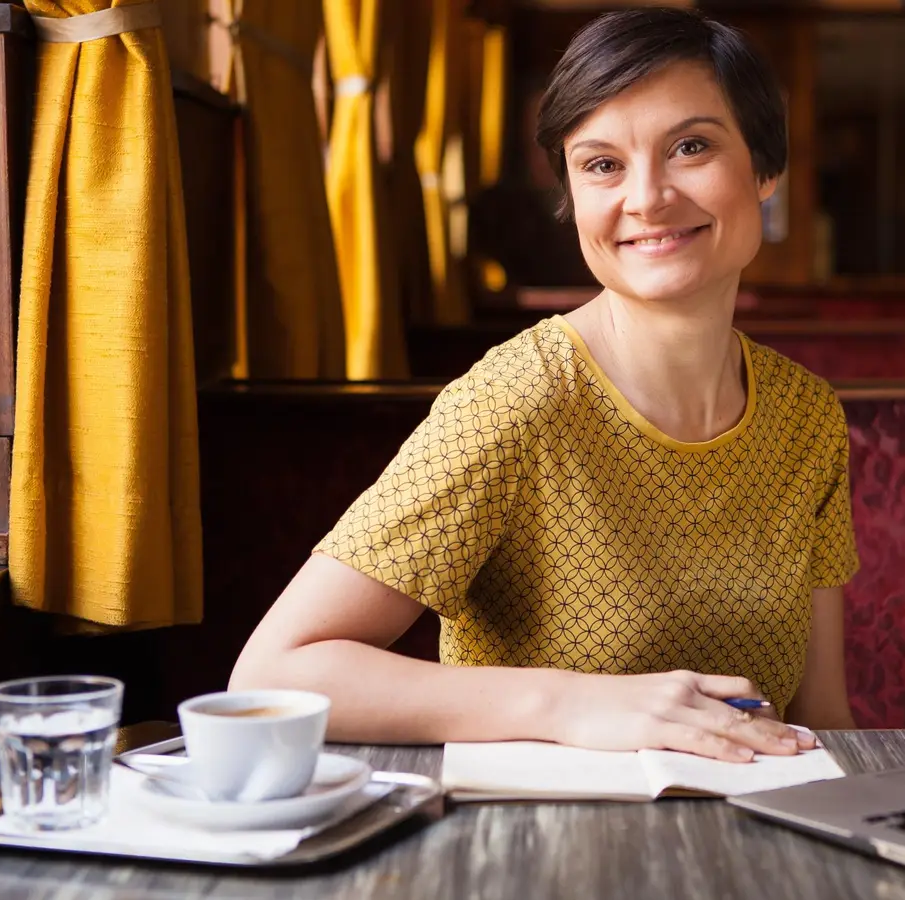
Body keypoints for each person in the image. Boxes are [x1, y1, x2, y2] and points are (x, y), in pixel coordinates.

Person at [231, 8, 859, 762]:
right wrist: (568, 701)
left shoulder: (806, 416)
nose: (647, 197)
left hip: (750, 844)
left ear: (766, 167)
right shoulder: (517, 400)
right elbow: (271, 675)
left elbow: (824, 715)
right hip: (534, 847)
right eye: (602, 165)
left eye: (690, 147)